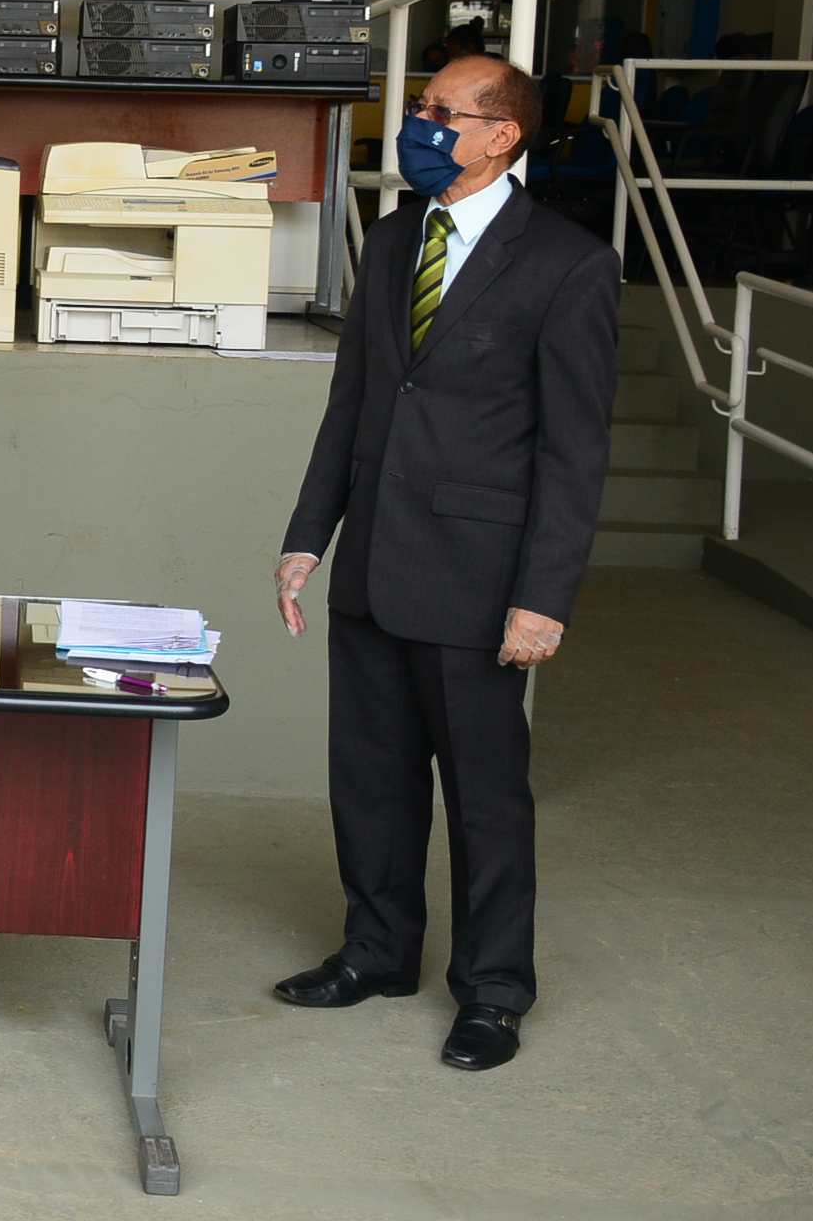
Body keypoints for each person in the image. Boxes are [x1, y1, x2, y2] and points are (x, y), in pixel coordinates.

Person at [270, 52, 617, 1072]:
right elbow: (353, 404)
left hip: (478, 577)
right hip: (374, 561)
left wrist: (544, 598)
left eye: (441, 112)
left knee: (484, 797)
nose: (419, 124)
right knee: (370, 781)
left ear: (502, 135)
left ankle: (494, 991)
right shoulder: (391, 242)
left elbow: (575, 450)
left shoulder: (569, 264)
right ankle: (377, 952)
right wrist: (308, 535)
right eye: (420, 107)